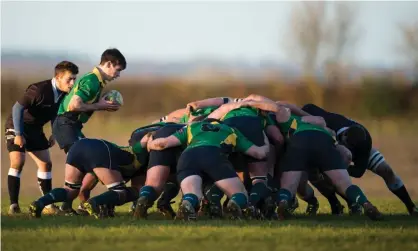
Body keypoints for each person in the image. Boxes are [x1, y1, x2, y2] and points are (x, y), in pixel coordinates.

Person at [301, 103, 418, 216]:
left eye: (350, 147)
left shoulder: (364, 142)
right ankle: (340, 203)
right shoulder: (331, 123)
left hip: (356, 153)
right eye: (346, 144)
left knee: (386, 170)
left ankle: (410, 206)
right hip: (330, 149)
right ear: (344, 134)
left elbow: (358, 171)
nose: (347, 148)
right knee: (324, 174)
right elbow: (308, 107)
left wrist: (341, 167)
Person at [147, 117, 271, 221]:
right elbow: (259, 153)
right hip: (214, 156)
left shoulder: (191, 127)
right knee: (240, 194)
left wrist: (149, 143)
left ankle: (188, 203)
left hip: (188, 157)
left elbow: (163, 144)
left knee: (192, 194)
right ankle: (235, 203)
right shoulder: (231, 130)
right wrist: (265, 140)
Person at [53, 48, 126, 213]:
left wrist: (100, 105)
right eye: (118, 69)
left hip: (70, 125)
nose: (118, 74)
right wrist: (100, 106)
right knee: (87, 163)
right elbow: (74, 105)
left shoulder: (97, 82)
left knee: (83, 166)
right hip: (66, 124)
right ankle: (77, 204)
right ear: (108, 64)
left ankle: (71, 205)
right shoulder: (92, 80)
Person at [4, 61, 79, 215]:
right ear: (58, 77)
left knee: (46, 164)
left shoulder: (64, 93)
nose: (72, 83)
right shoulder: (39, 90)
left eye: (74, 79)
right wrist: (18, 134)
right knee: (18, 161)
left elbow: (55, 113)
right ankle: (13, 206)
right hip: (17, 125)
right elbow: (17, 108)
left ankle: (47, 205)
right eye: (69, 79)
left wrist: (54, 132)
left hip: (35, 129)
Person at [29, 136, 147, 219]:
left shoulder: (106, 167)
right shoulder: (137, 153)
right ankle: (95, 203)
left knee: (70, 190)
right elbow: (147, 137)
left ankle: (39, 203)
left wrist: (85, 204)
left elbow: (84, 189)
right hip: (98, 149)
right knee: (120, 191)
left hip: (78, 147)